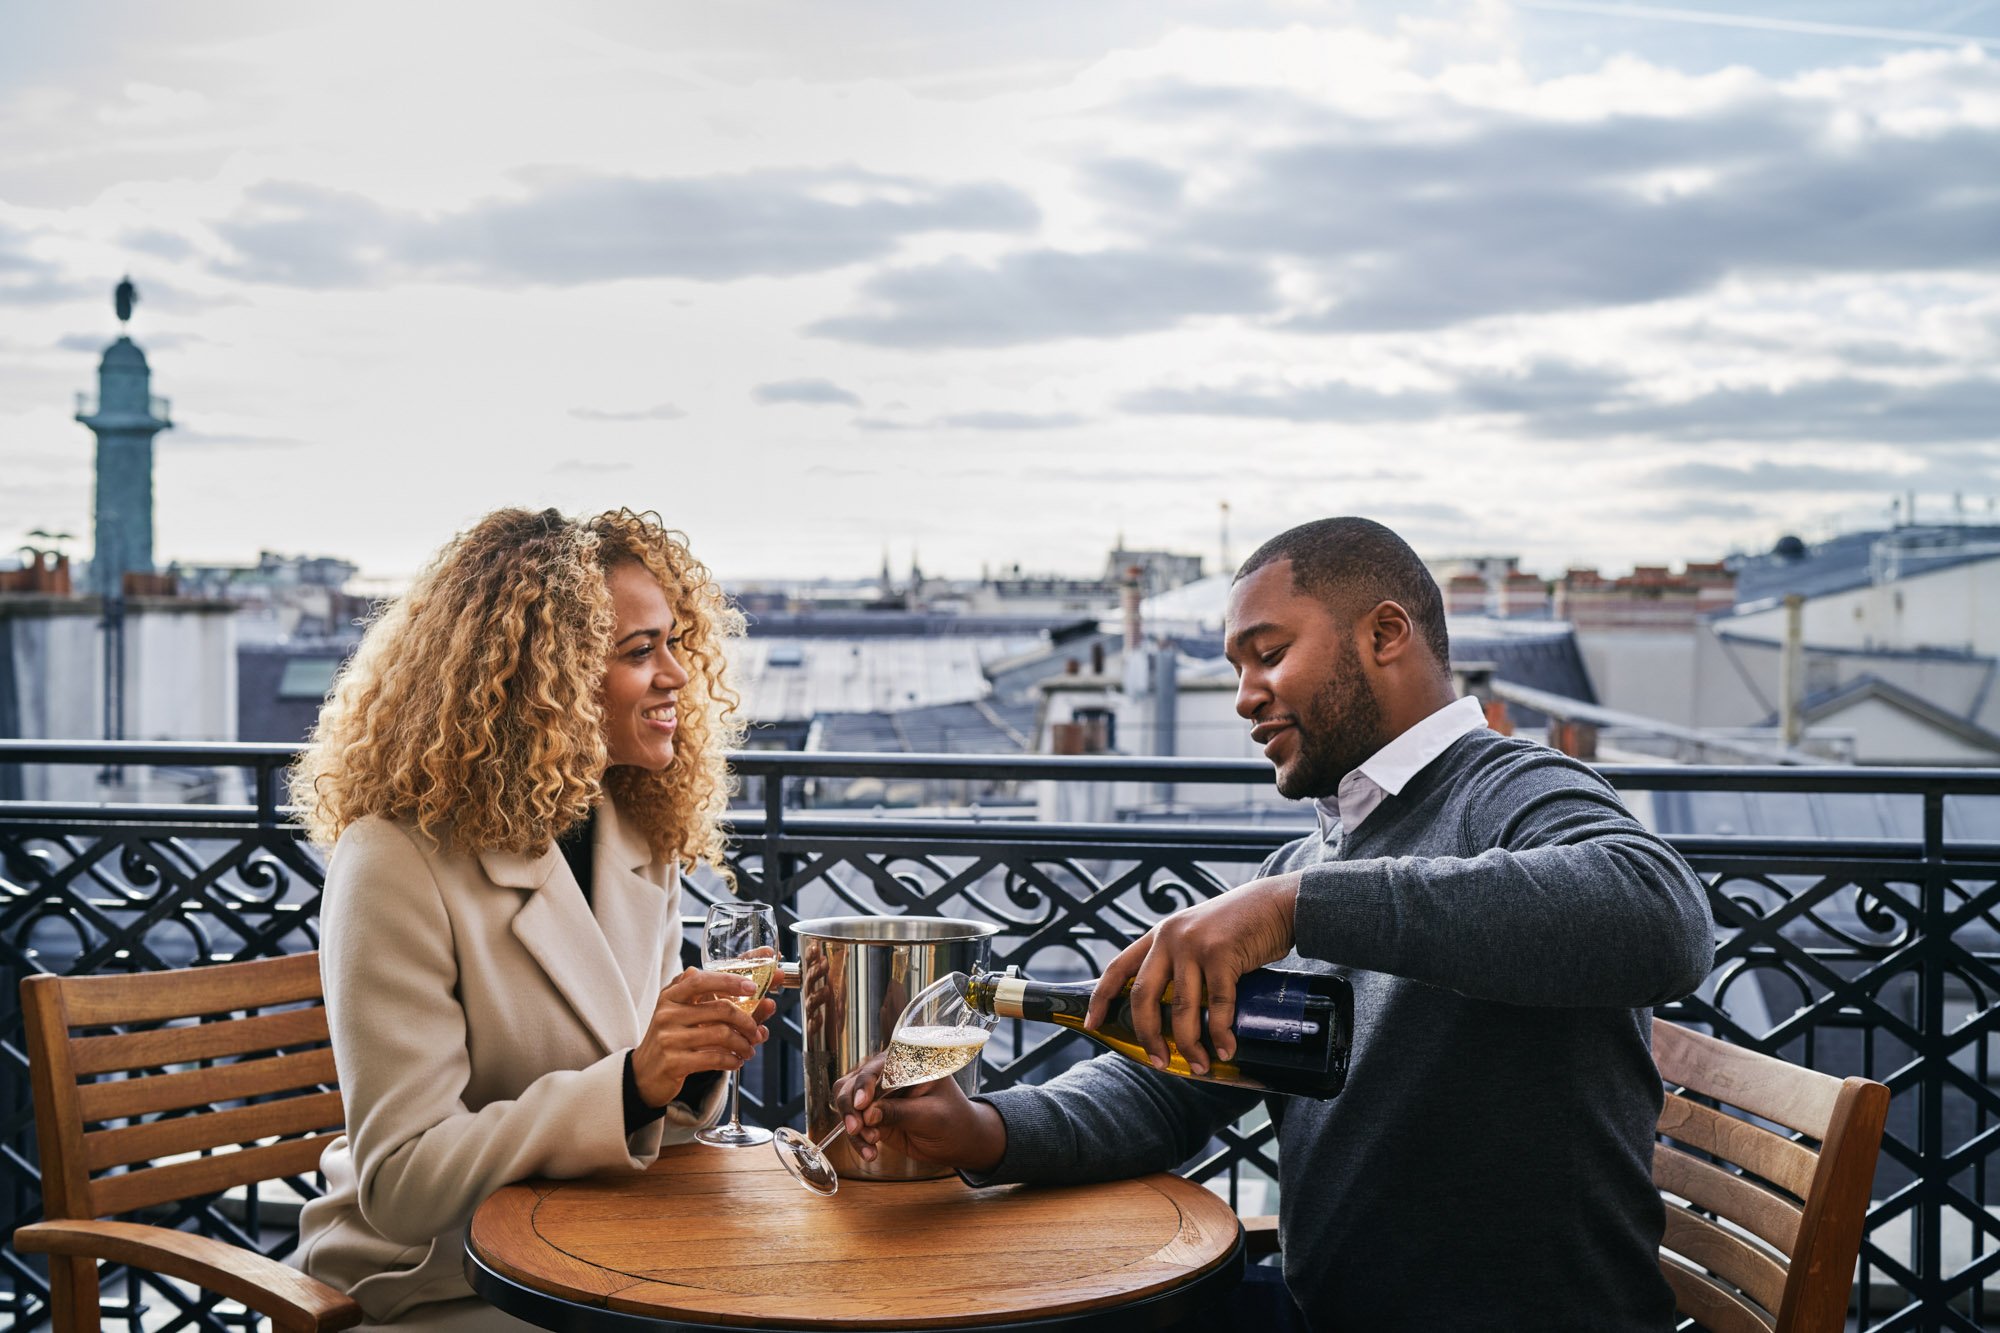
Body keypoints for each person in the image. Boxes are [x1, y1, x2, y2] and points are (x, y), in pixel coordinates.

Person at [843, 517, 1715, 1332]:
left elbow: (1662, 917)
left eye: (1268, 655)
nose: (1242, 697)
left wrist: (1295, 906)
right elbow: (1174, 1079)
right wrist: (988, 1129)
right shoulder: (1313, 853)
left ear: (1384, 634)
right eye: (1235, 668)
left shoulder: (1510, 785)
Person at [292, 508, 774, 1330]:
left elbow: (640, 1084)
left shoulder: (634, 831)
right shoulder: (394, 861)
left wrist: (689, 1065)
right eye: (638, 651)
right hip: (441, 1283)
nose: (678, 677)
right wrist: (631, 1085)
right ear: (545, 678)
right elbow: (404, 1182)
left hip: (596, 1249)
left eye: (673, 642)